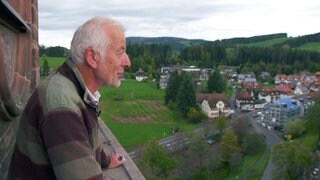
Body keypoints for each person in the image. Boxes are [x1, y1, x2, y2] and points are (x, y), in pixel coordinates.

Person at [8, 16, 131, 179]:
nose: (127, 62)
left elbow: (82, 136)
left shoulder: (75, 87)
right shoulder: (61, 105)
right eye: (120, 51)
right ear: (92, 57)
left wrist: (105, 161)